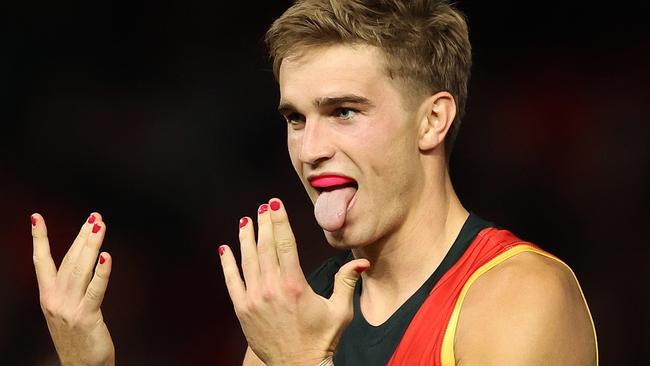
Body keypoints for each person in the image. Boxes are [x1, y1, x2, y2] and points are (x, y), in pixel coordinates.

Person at [31, 0, 598, 365]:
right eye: (296, 118)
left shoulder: (520, 298)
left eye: (345, 111)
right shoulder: (297, 318)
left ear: (433, 120)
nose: (309, 148)